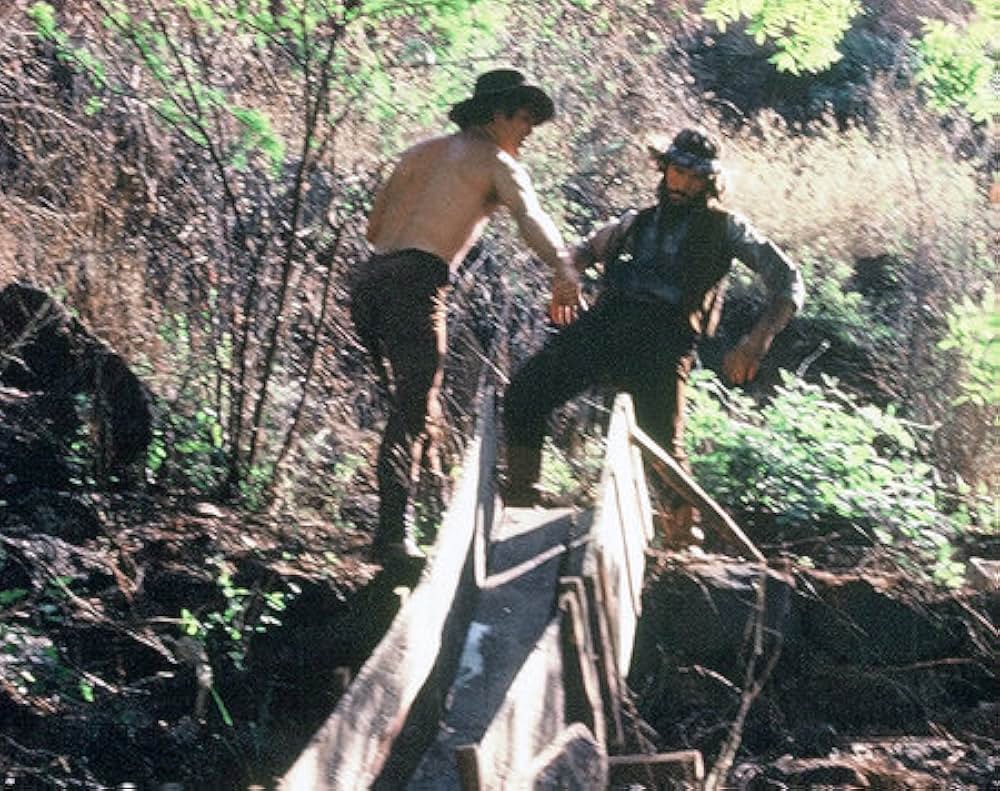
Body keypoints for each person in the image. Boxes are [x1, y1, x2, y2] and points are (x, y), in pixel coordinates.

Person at [503, 127, 805, 509]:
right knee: (525, 393)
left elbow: (789, 280)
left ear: (709, 182)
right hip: (607, 324)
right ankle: (520, 500)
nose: (683, 183)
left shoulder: (727, 228)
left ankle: (685, 544)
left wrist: (757, 340)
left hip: (666, 338)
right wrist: (566, 275)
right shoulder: (635, 223)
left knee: (662, 451)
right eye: (678, 172)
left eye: (696, 177)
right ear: (664, 169)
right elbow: (582, 251)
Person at [350, 68, 582, 562]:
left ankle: (424, 508)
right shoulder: (497, 160)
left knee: (414, 402)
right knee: (411, 410)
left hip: (370, 279)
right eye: (524, 118)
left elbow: (373, 228)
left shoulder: (419, 151)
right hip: (417, 279)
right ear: (497, 113)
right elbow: (529, 216)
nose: (529, 130)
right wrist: (563, 266)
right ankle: (392, 537)